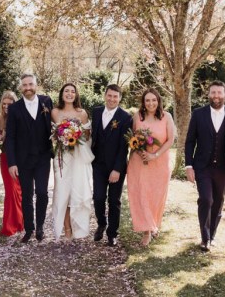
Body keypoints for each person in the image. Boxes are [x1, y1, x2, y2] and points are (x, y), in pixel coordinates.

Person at [185, 80, 225, 252]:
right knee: (206, 199)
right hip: (202, 166)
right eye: (213, 92)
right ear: (209, 94)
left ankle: (212, 235)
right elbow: (190, 141)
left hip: (223, 167)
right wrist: (188, 165)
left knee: (218, 201)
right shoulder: (198, 114)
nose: (216, 96)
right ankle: (205, 238)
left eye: (219, 92)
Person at [5, 73, 54, 243]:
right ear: (20, 87)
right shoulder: (14, 108)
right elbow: (10, 137)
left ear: (36, 85)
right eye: (24, 85)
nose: (28, 88)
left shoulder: (47, 101)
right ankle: (29, 228)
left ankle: (40, 227)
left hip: (43, 157)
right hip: (23, 160)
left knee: (42, 192)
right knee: (26, 194)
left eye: (30, 84)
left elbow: (53, 126)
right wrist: (12, 163)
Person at [127, 88, 174, 246]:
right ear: (143, 102)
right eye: (147, 100)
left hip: (159, 163)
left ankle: (153, 223)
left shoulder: (166, 116)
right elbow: (131, 137)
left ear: (158, 101)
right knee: (142, 194)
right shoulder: (137, 117)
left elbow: (170, 140)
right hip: (139, 162)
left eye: (153, 100)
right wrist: (139, 150)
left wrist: (155, 155)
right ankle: (146, 231)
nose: (151, 103)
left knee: (156, 196)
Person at [50, 83, 95, 241]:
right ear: (62, 94)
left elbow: (88, 136)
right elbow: (54, 135)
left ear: (76, 95)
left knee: (76, 193)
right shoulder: (55, 112)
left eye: (72, 92)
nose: (69, 94)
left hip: (77, 157)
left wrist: (76, 136)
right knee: (63, 193)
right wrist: (63, 136)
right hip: (62, 157)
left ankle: (78, 229)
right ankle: (67, 229)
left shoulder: (82, 113)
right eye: (66, 91)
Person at [91, 84, 132, 247]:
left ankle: (112, 234)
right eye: (109, 95)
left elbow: (124, 147)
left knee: (114, 200)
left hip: (116, 166)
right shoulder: (96, 112)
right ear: (105, 95)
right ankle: (102, 223)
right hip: (98, 164)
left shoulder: (125, 117)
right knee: (98, 197)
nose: (112, 99)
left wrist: (117, 169)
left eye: (115, 96)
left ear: (120, 98)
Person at [0, 90, 24, 236]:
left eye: (9, 104)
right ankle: (9, 225)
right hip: (6, 158)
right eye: (4, 104)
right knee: (11, 191)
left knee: (19, 191)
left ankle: (20, 222)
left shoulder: (20, 117)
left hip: (21, 159)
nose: (6, 106)